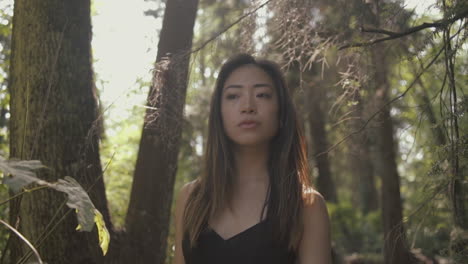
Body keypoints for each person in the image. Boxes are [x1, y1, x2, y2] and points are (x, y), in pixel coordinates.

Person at [174, 54, 331, 264]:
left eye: (262, 95)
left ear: (281, 112)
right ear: (219, 113)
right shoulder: (191, 198)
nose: (247, 106)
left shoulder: (306, 205)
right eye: (233, 96)